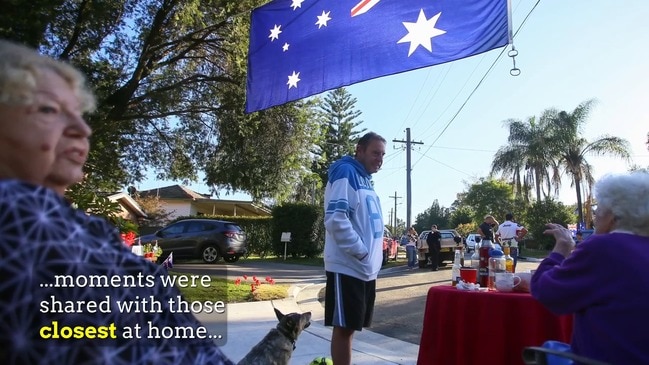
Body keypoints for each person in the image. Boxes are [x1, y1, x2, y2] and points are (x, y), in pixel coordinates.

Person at [0, 39, 232, 364]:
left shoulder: (64, 223)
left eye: (79, 114)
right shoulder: (19, 216)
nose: (82, 129)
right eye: (49, 110)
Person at [531, 172, 649, 364]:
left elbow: (546, 292)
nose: (595, 216)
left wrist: (562, 247)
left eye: (597, 208)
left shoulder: (605, 247)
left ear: (612, 215)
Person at [323, 131, 386, 365]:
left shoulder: (365, 178)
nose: (379, 159)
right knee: (344, 328)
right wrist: (361, 251)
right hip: (348, 265)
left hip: (364, 268)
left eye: (382, 155)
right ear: (359, 150)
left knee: (351, 328)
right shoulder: (346, 171)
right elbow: (336, 219)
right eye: (375, 153)